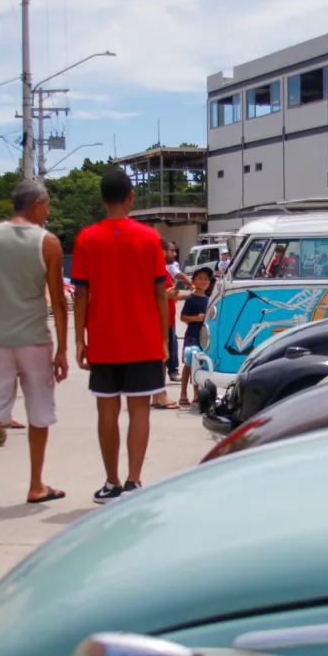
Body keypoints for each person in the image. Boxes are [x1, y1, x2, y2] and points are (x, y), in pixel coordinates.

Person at [0, 180, 68, 516]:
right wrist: (63, 348)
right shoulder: (48, 243)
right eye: (47, 205)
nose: (48, 212)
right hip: (34, 339)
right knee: (38, 411)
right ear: (37, 203)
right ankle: (36, 484)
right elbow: (60, 303)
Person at [72, 168, 168, 504]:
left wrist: (79, 340)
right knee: (139, 410)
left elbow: (80, 295)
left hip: (103, 339)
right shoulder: (149, 238)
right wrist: (163, 339)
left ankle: (111, 482)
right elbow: (160, 293)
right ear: (131, 197)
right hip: (143, 338)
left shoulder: (86, 239)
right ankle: (133, 481)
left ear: (102, 199)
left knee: (106, 412)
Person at [178, 267, 211, 407]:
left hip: (204, 337)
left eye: (206, 279)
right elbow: (182, 317)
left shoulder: (209, 300)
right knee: (188, 363)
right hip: (192, 335)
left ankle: (197, 393)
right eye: (200, 278)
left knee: (201, 364)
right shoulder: (191, 298)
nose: (204, 281)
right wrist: (196, 318)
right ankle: (183, 393)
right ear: (193, 281)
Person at [161, 239, 184, 384]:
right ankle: (158, 394)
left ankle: (160, 393)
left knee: (167, 353)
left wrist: (194, 293)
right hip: (161, 321)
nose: (175, 254)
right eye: (172, 250)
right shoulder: (155, 270)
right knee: (162, 357)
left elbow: (172, 294)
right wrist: (165, 295)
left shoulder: (163, 270)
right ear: (162, 251)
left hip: (168, 320)